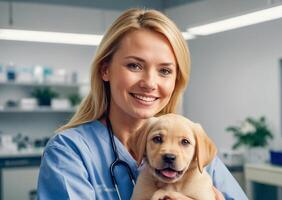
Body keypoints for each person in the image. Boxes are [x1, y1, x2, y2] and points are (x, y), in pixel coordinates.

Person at [37, 8, 248, 200]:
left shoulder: (193, 150)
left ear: (176, 81)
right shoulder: (70, 151)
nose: (149, 83)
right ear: (105, 70)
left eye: (164, 71)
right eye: (134, 65)